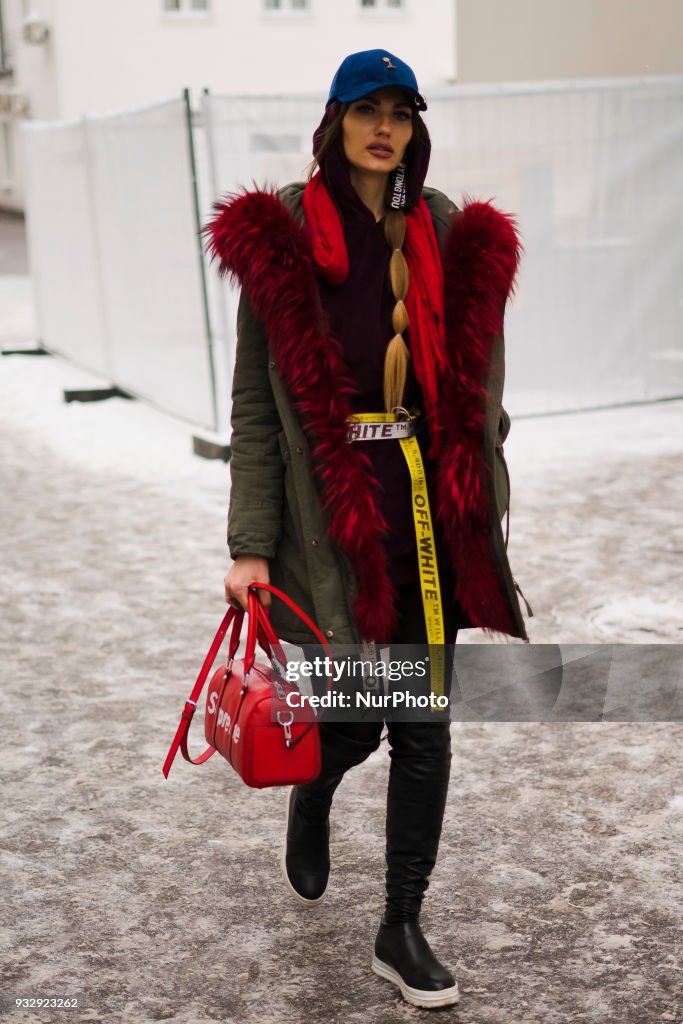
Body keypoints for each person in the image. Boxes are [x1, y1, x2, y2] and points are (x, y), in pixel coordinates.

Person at [203, 49, 528, 1010]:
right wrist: (249, 546)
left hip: (425, 508)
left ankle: (401, 923)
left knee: (423, 726)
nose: (384, 127)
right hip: (326, 520)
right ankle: (316, 786)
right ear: (335, 122)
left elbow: (476, 378)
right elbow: (256, 412)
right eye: (364, 110)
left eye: (400, 111)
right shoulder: (285, 239)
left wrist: (478, 447)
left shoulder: (445, 232)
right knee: (349, 715)